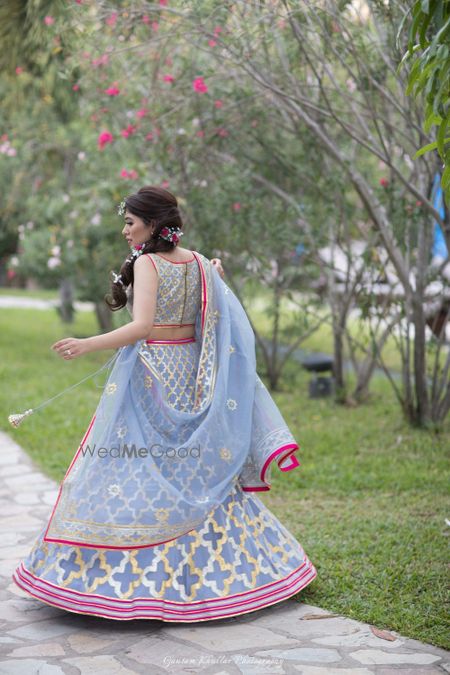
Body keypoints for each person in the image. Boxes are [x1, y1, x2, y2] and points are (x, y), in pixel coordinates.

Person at [12, 186, 317, 622]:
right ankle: (235, 571)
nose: (125, 230)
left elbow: (140, 328)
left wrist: (86, 344)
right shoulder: (199, 262)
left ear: (153, 225)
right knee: (191, 468)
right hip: (193, 372)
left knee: (133, 464)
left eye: (131, 223)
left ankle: (127, 579)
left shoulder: (150, 264)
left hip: (154, 375)